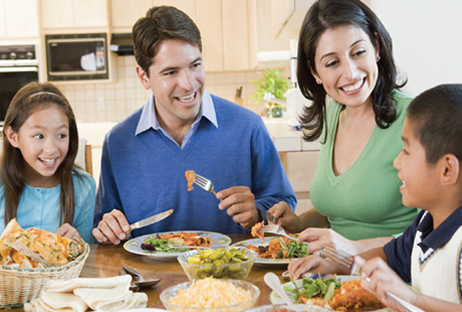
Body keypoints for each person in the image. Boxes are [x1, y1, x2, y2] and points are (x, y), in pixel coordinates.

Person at [92, 5, 296, 245]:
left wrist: (258, 214)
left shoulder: (248, 127)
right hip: (148, 280)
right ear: (143, 77)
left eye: (195, 65)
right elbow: (102, 229)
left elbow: (283, 204)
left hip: (230, 276)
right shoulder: (117, 142)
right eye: (170, 72)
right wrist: (107, 230)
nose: (188, 84)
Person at [295, 84, 462, 310]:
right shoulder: (427, 221)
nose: (397, 162)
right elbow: (390, 258)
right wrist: (336, 266)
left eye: (406, 151)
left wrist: (413, 299)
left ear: (447, 170)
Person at [271, 0, 419, 271]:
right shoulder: (333, 113)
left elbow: (437, 236)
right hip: (338, 275)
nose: (350, 73)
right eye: (332, 62)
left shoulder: (416, 118)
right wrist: (300, 223)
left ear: (376, 46)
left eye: (358, 52)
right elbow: (342, 215)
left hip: (396, 283)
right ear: (315, 72)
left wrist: (354, 250)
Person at [0, 81, 96, 243]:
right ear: (13, 137)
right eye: (39, 136)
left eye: (61, 135)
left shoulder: (83, 187)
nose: (51, 149)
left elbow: (87, 262)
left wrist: (80, 246)